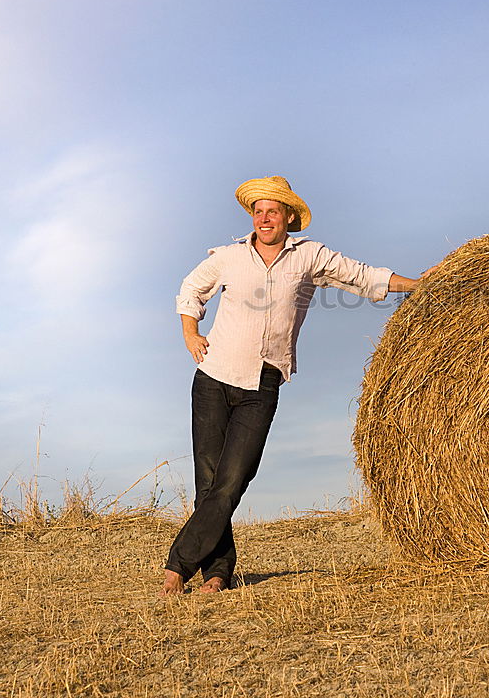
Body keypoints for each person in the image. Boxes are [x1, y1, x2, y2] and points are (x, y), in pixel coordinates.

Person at [160, 176, 428, 596]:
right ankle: (217, 573)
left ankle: (178, 563)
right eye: (258, 211)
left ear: (288, 217)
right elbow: (191, 289)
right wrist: (190, 333)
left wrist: (417, 285)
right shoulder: (229, 257)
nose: (264, 218)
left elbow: (360, 276)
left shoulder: (309, 257)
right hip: (213, 378)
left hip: (264, 382)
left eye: (272, 211)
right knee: (209, 483)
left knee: (234, 479)